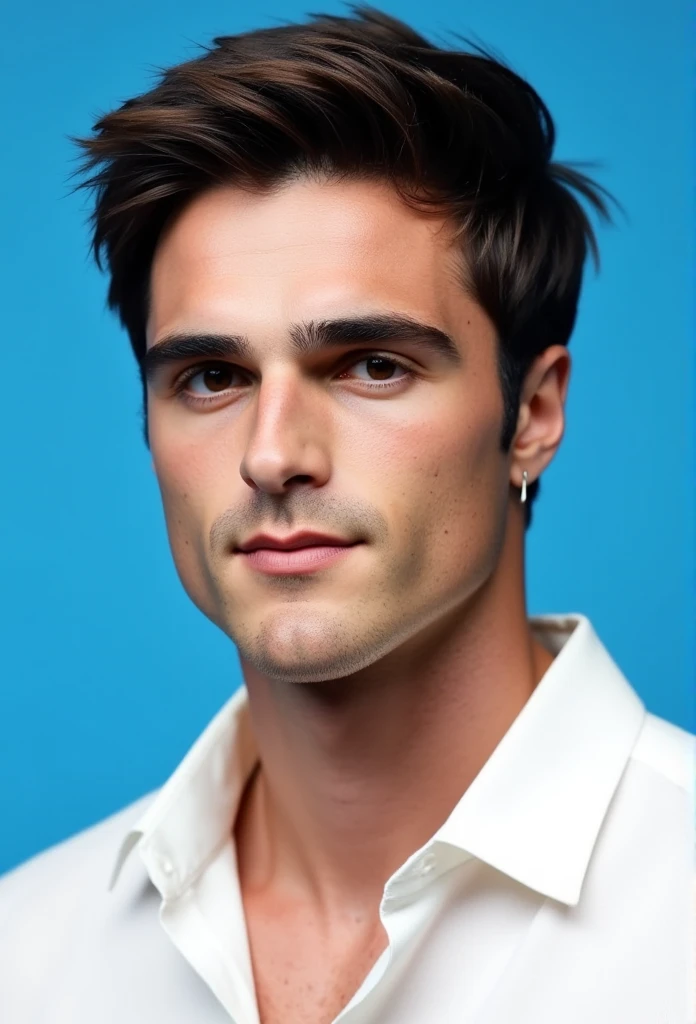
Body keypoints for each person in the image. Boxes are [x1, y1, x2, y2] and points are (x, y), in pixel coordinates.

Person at [1, 4, 693, 1022]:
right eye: (210, 377)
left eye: (372, 366)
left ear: (533, 414)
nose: (273, 453)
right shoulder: (26, 951)